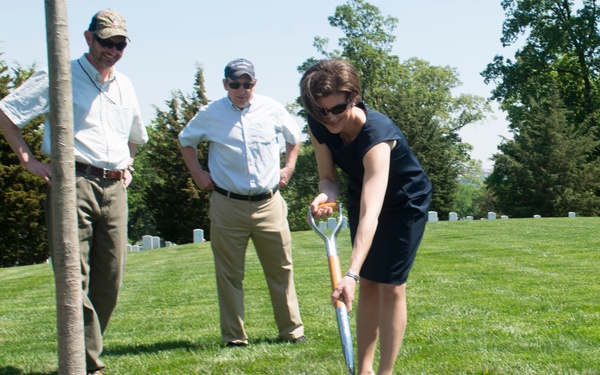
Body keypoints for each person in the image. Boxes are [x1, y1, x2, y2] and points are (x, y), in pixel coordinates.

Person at [0, 9, 148, 374]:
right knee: (73, 277)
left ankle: (86, 355)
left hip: (115, 187)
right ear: (87, 38)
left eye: (119, 44)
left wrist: (127, 165)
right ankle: (87, 365)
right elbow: (6, 112)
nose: (111, 50)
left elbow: (136, 137)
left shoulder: (125, 85)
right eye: (105, 42)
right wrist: (28, 161)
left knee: (110, 280)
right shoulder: (58, 74)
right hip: (73, 182)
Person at [299, 59, 432, 375]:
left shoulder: (377, 136)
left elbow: (373, 214)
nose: (330, 117)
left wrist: (351, 273)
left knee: (390, 285)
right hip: (363, 191)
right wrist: (325, 197)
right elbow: (329, 178)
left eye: (337, 108)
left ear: (354, 97)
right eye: (321, 110)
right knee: (369, 284)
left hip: (404, 202)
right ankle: (364, 370)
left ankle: (385, 372)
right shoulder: (318, 124)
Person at [179, 58, 306, 347]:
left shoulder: (271, 108)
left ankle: (292, 332)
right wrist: (198, 173)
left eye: (247, 84)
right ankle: (234, 337)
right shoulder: (210, 114)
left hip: (269, 203)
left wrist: (288, 168)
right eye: (235, 84)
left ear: (255, 84)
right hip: (227, 204)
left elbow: (294, 136)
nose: (241, 89)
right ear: (225, 84)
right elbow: (186, 140)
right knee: (229, 274)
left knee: (281, 270)